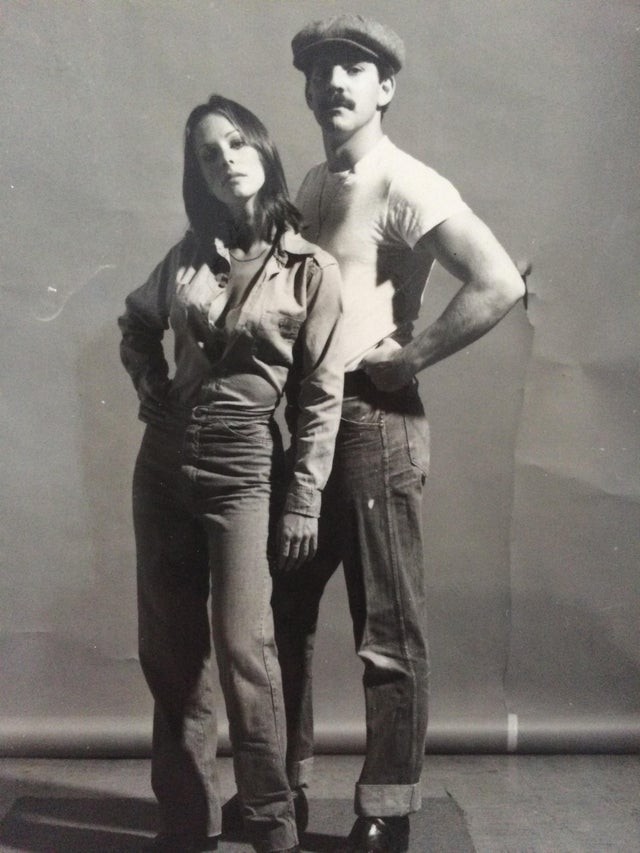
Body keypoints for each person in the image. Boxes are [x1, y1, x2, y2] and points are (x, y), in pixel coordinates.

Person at [270, 15, 528, 853]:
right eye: (322, 71)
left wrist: (408, 357)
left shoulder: (406, 180)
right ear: (307, 87)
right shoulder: (313, 180)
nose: (335, 83)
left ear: (385, 88)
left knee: (386, 628)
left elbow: (496, 283)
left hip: (374, 423)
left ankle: (387, 808)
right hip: (307, 424)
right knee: (286, 614)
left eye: (355, 69)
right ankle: (288, 787)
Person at [118, 94, 343, 853]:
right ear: (201, 177)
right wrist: (149, 378)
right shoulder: (187, 257)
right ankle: (186, 826)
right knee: (172, 654)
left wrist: (303, 499)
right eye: (208, 155)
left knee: (247, 649)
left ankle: (272, 823)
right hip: (162, 467)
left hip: (246, 466)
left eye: (236, 143)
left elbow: (319, 397)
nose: (225, 160)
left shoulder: (312, 270)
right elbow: (138, 321)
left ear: (263, 151)